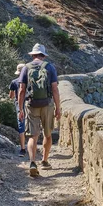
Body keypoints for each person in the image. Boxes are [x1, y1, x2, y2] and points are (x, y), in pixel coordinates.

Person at [18, 43, 61, 177]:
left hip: (31, 105)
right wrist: (58, 108)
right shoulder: (49, 67)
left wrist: (20, 109)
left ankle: (32, 162)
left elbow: (21, 90)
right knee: (48, 135)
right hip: (47, 104)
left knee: (33, 136)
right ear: (43, 55)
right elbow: (54, 89)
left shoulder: (26, 68)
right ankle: (44, 160)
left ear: (33, 55)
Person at [8, 63, 27, 156]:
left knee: (21, 126)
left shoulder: (14, 82)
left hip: (19, 105)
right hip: (30, 104)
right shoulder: (30, 81)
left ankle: (23, 149)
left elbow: (11, 96)